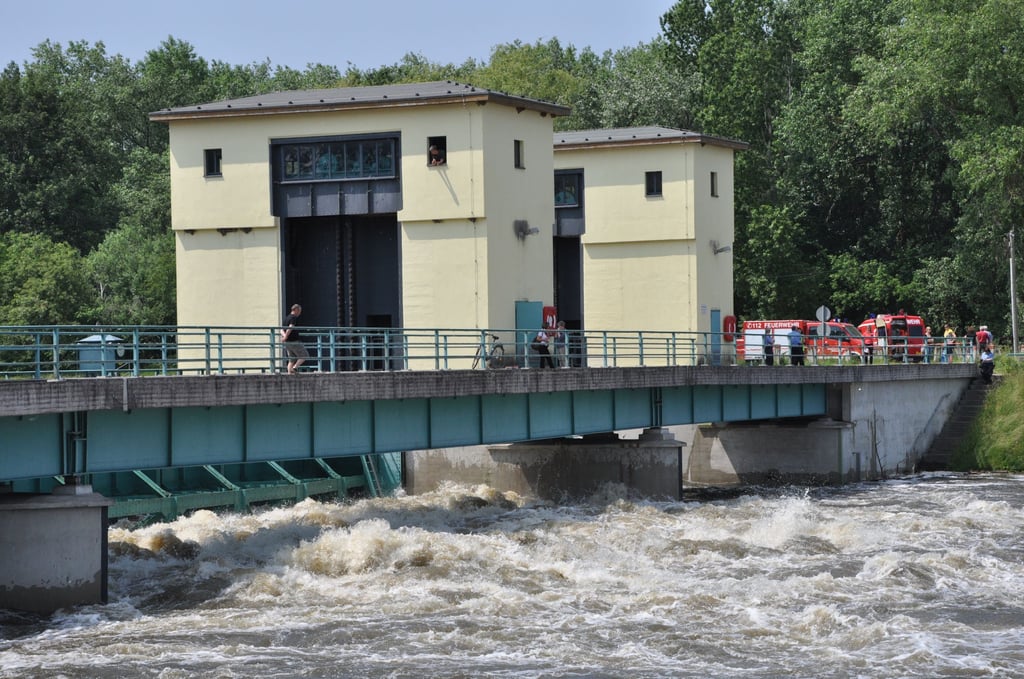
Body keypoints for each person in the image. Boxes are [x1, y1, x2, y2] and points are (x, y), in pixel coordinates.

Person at [280, 303, 308, 374]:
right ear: (296, 310)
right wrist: (286, 336)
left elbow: (281, 329)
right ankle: (294, 368)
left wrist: (284, 337)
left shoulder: (286, 318)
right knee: (304, 355)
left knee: (291, 360)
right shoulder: (293, 317)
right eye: (299, 311)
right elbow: (291, 327)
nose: (299, 313)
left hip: (287, 342)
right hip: (294, 341)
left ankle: (289, 374)